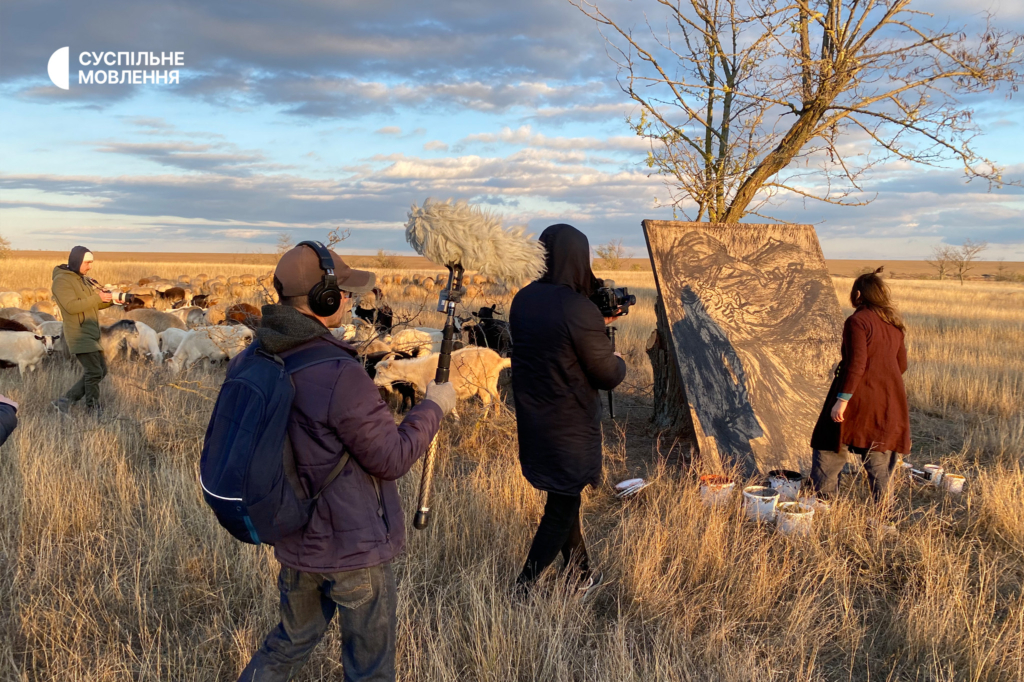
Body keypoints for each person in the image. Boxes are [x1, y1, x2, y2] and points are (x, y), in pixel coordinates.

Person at [238, 243, 456, 682]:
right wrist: (433, 407)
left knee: (287, 644)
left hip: (295, 540)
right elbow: (392, 458)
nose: (349, 300)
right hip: (353, 549)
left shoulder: (254, 357)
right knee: (370, 669)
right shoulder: (339, 372)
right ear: (325, 298)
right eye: (344, 293)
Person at [509, 224, 626, 599]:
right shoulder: (578, 307)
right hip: (569, 424)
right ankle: (522, 589)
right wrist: (616, 355)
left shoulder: (523, 300)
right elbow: (607, 374)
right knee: (561, 508)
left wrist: (595, 326)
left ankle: (581, 574)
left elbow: (555, 344)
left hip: (533, 417)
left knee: (564, 496)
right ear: (581, 258)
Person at [810, 267, 910, 507]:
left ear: (858, 294)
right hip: (887, 401)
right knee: (879, 454)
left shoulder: (857, 321)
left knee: (828, 445)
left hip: (856, 398)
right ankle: (885, 515)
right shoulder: (894, 324)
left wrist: (842, 399)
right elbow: (901, 365)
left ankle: (823, 505)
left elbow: (856, 363)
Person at [51, 246, 113, 415]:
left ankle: (64, 401)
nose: (90, 266)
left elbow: (92, 303)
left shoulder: (82, 279)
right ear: (77, 261)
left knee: (101, 370)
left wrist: (111, 300)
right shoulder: (62, 281)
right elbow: (71, 307)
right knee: (94, 371)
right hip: (78, 333)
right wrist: (97, 298)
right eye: (87, 262)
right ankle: (92, 408)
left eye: (91, 262)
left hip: (91, 332)